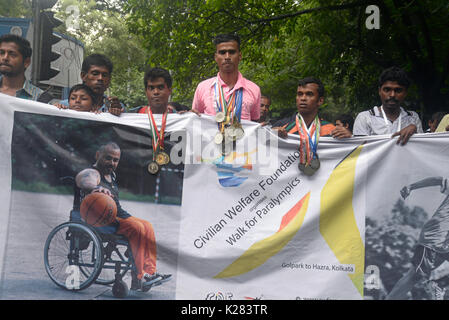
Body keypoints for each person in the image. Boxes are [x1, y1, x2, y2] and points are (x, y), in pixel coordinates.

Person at [73, 142, 171, 290]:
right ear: (97, 155)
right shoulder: (93, 172)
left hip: (116, 216)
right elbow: (83, 179)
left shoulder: (111, 174)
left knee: (147, 226)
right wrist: (96, 187)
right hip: (101, 221)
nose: (112, 163)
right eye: (108, 158)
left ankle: (150, 272)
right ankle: (139, 276)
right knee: (136, 228)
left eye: (115, 160)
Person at [386, 176, 449, 300]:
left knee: (415, 276)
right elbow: (438, 180)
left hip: (446, 242)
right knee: (414, 276)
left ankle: (438, 283)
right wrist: (411, 187)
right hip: (437, 234)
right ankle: (436, 284)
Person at [192, 33, 261, 122]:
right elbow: (195, 119)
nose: (227, 57)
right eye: (222, 52)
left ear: (239, 56)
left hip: (242, 136)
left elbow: (255, 124)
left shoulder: (254, 89)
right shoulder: (202, 87)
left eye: (232, 52)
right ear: (216, 57)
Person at [352, 66, 423, 145]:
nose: (392, 95)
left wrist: (415, 131)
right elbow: (359, 151)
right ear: (379, 91)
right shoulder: (365, 118)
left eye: (398, 90)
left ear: (405, 93)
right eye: (387, 90)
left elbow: (421, 149)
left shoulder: (413, 117)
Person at [271, 77, 350, 138]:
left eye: (309, 94)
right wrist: (270, 136)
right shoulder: (281, 126)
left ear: (320, 100)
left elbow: (349, 155)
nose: (303, 98)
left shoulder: (332, 131)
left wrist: (350, 138)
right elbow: (263, 153)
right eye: (300, 94)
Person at [56, 54, 124, 116]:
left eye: (105, 75)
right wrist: (55, 110)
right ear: (83, 76)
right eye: (95, 73)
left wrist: (116, 114)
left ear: (109, 79)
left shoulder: (117, 108)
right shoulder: (62, 107)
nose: (100, 78)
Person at [0, 34, 53, 102]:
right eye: (1, 53)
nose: (5, 58)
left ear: (26, 62)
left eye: (12, 54)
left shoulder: (42, 99)